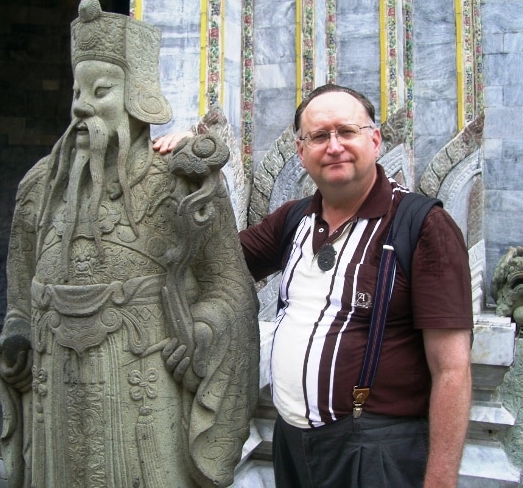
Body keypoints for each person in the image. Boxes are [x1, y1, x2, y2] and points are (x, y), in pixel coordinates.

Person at [0, 0, 259, 488]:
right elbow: (20, 291)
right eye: (77, 91)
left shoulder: (182, 185)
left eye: (101, 91)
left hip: (144, 396)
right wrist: (17, 335)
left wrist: (202, 331)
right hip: (56, 400)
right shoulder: (39, 188)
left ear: (137, 95)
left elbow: (230, 286)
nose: (80, 106)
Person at [155, 83, 473, 487]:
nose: (334, 146)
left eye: (347, 131)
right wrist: (194, 169)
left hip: (375, 449)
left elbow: (452, 369)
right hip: (291, 442)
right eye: (319, 136)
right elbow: (217, 263)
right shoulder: (295, 220)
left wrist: (440, 481)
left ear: (374, 140)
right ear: (301, 151)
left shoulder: (422, 226)